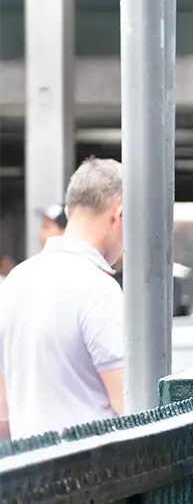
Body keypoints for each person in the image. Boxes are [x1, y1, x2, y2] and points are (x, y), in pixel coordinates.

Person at [0, 159, 126, 443]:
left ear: (70, 211)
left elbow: (3, 410)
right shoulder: (99, 288)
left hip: (28, 473)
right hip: (94, 475)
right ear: (119, 214)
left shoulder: (14, 282)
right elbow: (129, 406)